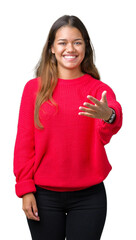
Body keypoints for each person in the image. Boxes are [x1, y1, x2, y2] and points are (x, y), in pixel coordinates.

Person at [13, 15, 123, 240]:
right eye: (62, 42)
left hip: (89, 198)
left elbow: (111, 118)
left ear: (85, 47)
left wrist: (108, 115)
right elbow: (24, 142)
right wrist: (24, 188)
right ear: (52, 48)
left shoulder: (97, 89)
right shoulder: (34, 89)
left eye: (77, 42)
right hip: (43, 196)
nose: (69, 48)